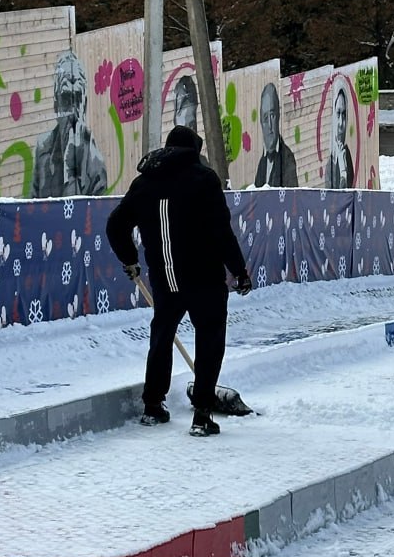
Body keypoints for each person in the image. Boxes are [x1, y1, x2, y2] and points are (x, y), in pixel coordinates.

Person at [106, 124, 252, 437]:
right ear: (193, 151)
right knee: (209, 337)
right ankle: (201, 414)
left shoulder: (143, 183)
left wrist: (129, 259)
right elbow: (220, 231)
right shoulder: (203, 179)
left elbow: (116, 224)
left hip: (164, 276)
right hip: (203, 276)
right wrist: (239, 270)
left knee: (162, 334)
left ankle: (152, 406)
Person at [31, 51, 107, 198]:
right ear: (56, 105)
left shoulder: (94, 159)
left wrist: (70, 169)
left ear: (84, 104)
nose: (72, 111)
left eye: (77, 98)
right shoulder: (42, 150)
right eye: (66, 99)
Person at [254, 81, 299, 187]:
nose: (269, 125)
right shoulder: (262, 162)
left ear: (278, 116)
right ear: (261, 122)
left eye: (272, 115)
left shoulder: (287, 157)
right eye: (265, 118)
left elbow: (291, 197)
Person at [323, 82, 355, 188]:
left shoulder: (347, 156)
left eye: (344, 114)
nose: (341, 123)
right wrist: (342, 169)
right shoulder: (329, 163)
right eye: (338, 113)